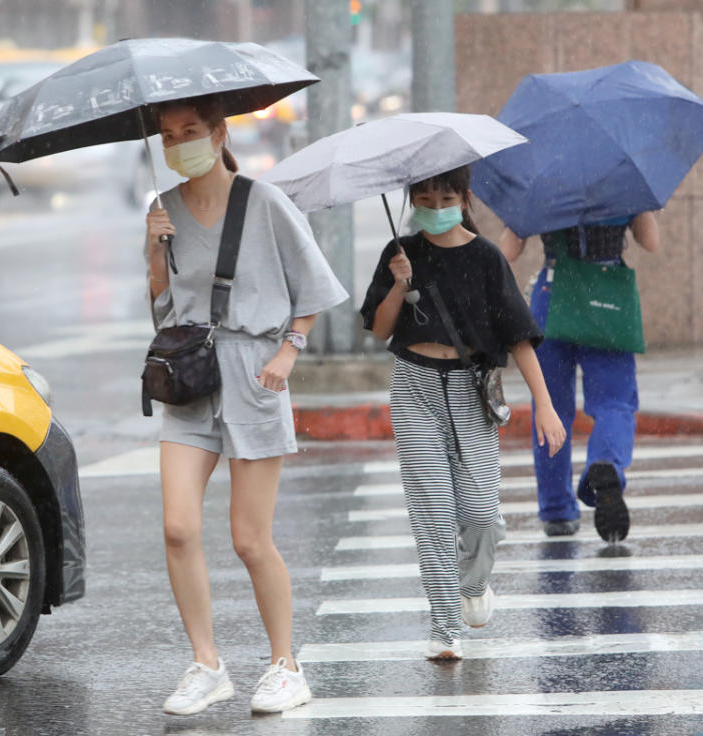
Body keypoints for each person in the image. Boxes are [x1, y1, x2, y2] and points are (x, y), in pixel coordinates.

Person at [144, 96, 348, 715]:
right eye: (170, 134)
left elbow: (311, 286)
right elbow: (161, 307)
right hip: (190, 377)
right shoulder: (164, 210)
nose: (181, 142)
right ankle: (207, 665)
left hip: (254, 373)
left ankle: (285, 665)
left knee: (248, 538)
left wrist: (289, 352)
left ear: (218, 132)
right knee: (178, 527)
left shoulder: (264, 202)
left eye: (191, 131)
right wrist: (155, 251)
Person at [359, 165, 566, 660]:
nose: (434, 208)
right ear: (412, 199)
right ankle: (444, 624)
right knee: (431, 510)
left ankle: (472, 583)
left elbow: (518, 334)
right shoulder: (400, 253)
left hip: (472, 392)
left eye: (444, 197)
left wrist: (545, 403)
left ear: (464, 198)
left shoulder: (487, 257)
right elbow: (379, 328)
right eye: (424, 199)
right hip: (415, 386)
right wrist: (396, 284)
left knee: (479, 514)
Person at [499, 213, 660, 541]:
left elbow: (509, 251)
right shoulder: (622, 178)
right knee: (615, 400)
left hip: (553, 293)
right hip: (606, 296)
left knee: (550, 407)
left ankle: (557, 510)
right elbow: (650, 241)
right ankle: (606, 464)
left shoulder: (543, 182)